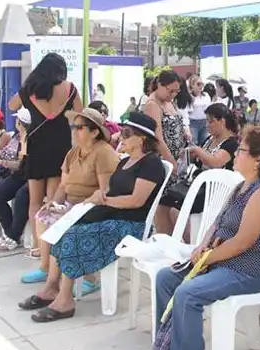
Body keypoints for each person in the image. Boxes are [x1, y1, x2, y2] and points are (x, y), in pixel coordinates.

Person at [154, 128, 260, 350]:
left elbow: (241, 243)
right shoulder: (243, 186)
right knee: (165, 278)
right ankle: (171, 349)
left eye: (241, 150)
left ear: (258, 159)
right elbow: (217, 223)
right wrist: (201, 247)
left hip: (249, 270)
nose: (236, 153)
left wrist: (208, 258)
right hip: (225, 261)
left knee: (188, 293)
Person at [20, 112, 166, 323]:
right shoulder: (125, 162)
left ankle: (64, 299)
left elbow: (136, 201)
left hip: (129, 225)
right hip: (111, 215)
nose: (121, 136)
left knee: (71, 235)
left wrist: (102, 200)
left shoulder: (151, 164)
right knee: (62, 229)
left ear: (142, 138)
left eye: (126, 133)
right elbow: (110, 191)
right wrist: (97, 198)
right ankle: (52, 287)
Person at [21, 107, 120, 287]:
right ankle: (46, 268)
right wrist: (54, 202)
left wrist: (78, 206)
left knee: (65, 225)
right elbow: (63, 185)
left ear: (95, 132)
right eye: (73, 127)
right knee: (43, 216)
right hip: (72, 203)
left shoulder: (104, 153)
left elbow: (105, 190)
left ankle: (89, 277)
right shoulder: (74, 152)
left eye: (79, 127)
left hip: (94, 207)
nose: (74, 130)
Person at [8, 52, 84, 268]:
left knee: (34, 201)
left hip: (37, 145)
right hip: (60, 144)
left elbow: (12, 105)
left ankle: (38, 246)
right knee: (53, 200)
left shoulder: (30, 89)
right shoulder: (70, 88)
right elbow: (80, 113)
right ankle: (52, 249)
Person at [157, 103, 239, 237]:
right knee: (163, 201)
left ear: (222, 121)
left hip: (214, 190)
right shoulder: (210, 139)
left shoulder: (231, 143)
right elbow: (201, 160)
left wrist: (196, 150)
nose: (207, 125)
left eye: (210, 121)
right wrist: (191, 155)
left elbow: (216, 162)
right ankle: (165, 240)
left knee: (176, 209)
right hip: (197, 184)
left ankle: (185, 246)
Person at [0, 108, 34, 253]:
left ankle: (14, 236)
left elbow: (23, 163)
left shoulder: (31, 138)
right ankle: (10, 232)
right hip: (18, 174)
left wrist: (1, 163)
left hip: (32, 175)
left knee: (22, 196)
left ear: (20, 123)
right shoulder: (17, 137)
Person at [142, 70, 187, 176]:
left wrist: (184, 130)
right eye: (170, 91)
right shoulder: (152, 105)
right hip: (163, 160)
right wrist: (172, 162)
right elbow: (157, 139)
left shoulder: (168, 100)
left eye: (177, 91)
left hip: (176, 157)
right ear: (159, 85)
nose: (173, 95)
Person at [188, 76, 212, 145]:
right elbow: (188, 110)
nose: (201, 86)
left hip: (205, 121)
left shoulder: (206, 95)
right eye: (198, 84)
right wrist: (191, 102)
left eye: (202, 84)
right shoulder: (189, 96)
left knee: (204, 142)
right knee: (193, 143)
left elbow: (209, 108)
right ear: (192, 85)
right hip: (193, 122)